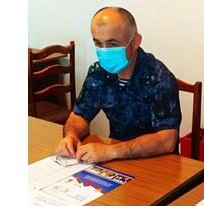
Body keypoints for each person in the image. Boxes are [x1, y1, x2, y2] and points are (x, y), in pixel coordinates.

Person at [55, 7, 181, 163]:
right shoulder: (98, 73)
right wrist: (71, 135)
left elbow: (166, 140)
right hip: (116, 159)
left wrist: (111, 151)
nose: (104, 51)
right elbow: (79, 116)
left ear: (135, 41)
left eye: (112, 44)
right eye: (98, 43)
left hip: (157, 162)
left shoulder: (158, 77)